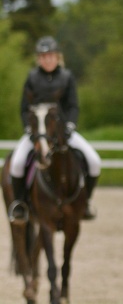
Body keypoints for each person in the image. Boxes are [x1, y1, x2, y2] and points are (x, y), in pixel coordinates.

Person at [7, 36, 101, 222]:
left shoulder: (67, 77)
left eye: (49, 56)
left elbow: (73, 106)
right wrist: (29, 129)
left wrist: (70, 126)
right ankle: (20, 204)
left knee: (94, 161)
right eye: (42, 56)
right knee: (17, 163)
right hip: (36, 132)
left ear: (57, 57)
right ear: (38, 59)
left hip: (62, 132)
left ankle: (86, 202)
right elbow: (24, 108)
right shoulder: (32, 77)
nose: (46, 59)